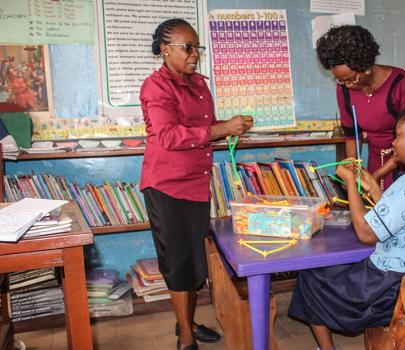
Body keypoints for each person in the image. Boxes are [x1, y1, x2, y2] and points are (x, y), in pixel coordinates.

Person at [288, 103, 405, 350]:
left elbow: (366, 234)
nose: (393, 143)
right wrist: (372, 187)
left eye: (399, 135)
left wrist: (350, 184)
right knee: (341, 269)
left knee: (311, 277)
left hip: (393, 291)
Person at [140, 18, 253, 350]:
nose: (194, 54)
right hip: (167, 185)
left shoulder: (199, 84)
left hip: (196, 183)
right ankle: (186, 335)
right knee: (177, 261)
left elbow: (202, 127)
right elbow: (169, 136)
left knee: (194, 261)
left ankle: (185, 322)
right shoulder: (156, 86)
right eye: (187, 47)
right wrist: (222, 129)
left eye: (197, 48)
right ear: (164, 49)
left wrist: (232, 125)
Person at [316, 25, 405, 189]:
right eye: (341, 80)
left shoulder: (403, 85)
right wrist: (353, 170)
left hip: (404, 163)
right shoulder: (344, 89)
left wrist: (377, 175)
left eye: (351, 78)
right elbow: (352, 134)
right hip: (375, 161)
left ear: (366, 66)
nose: (347, 84)